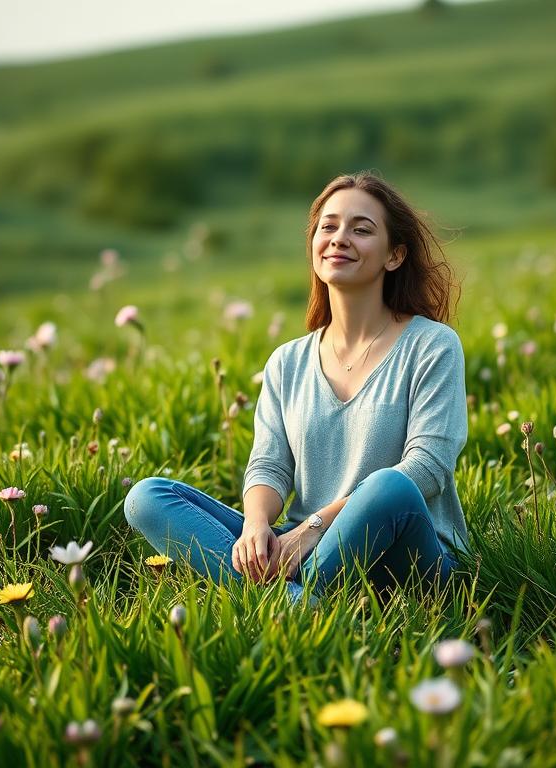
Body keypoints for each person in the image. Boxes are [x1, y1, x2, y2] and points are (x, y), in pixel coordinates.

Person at [124, 171, 469, 603]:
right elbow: (269, 466)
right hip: (305, 548)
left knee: (390, 486)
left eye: (361, 230)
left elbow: (426, 469)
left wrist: (312, 529)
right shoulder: (287, 362)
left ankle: (284, 603)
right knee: (148, 497)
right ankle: (299, 604)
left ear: (394, 256)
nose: (340, 238)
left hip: (407, 558)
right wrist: (256, 528)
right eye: (328, 227)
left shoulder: (432, 345)